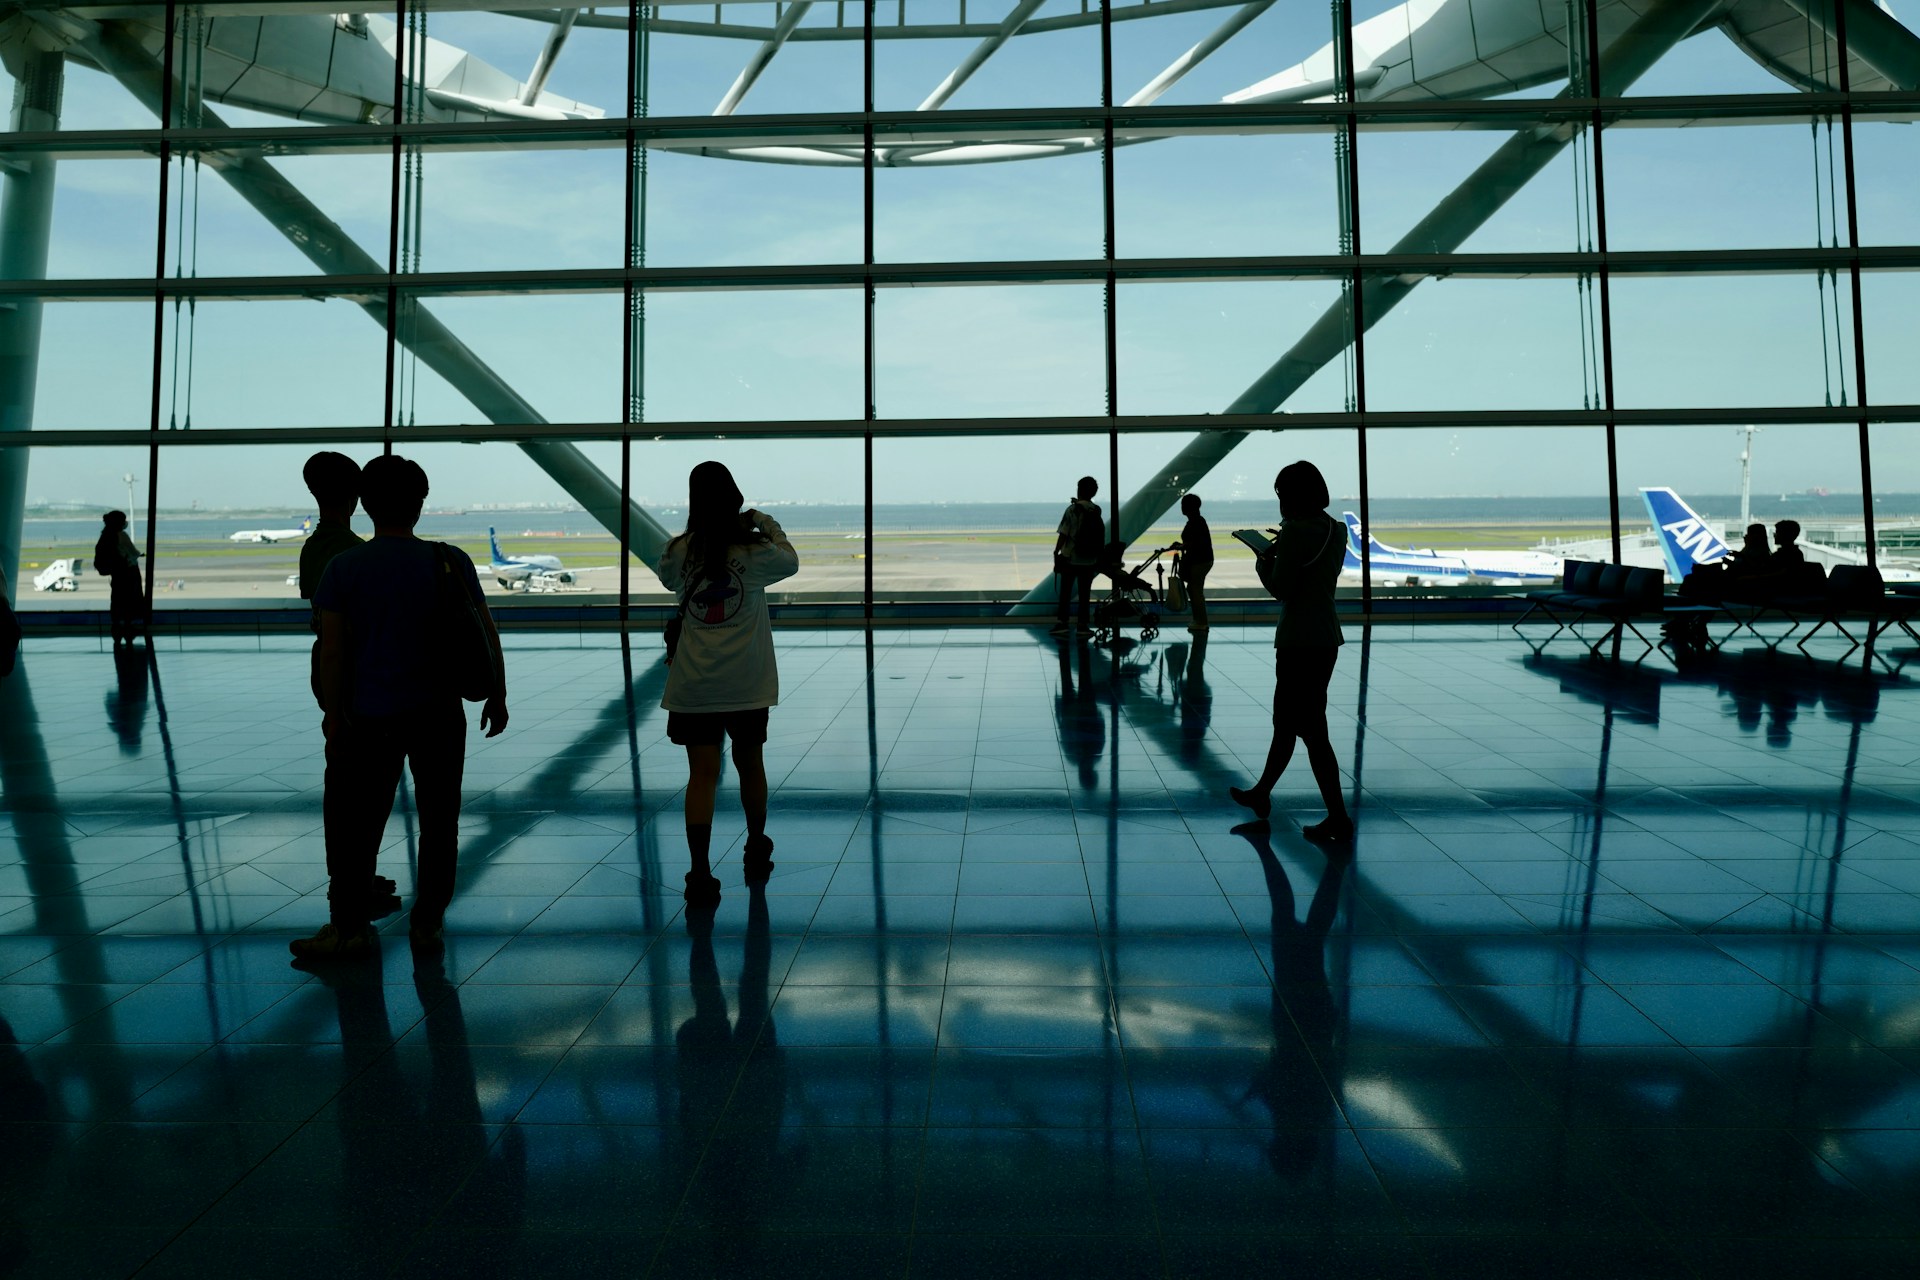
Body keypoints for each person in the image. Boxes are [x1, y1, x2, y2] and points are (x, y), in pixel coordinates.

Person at [293, 455, 509, 961]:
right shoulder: (449, 559)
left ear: (365, 505)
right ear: (420, 503)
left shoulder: (345, 567)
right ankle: (428, 921)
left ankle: (349, 928)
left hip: (369, 716)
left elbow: (333, 649)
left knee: (359, 825)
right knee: (440, 821)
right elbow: (485, 629)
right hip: (438, 714)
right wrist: (497, 692)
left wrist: (331, 713)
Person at [654, 461, 799, 910]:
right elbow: (790, 559)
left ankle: (699, 872)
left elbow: (667, 578)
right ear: (733, 497)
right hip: (746, 684)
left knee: (701, 776)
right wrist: (759, 520)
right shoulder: (755, 554)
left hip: (695, 685)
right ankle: (756, 843)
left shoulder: (679, 551)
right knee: (749, 764)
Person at [1231, 461, 1353, 844]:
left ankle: (1337, 816)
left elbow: (1281, 588)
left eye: (1282, 493)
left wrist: (1262, 559)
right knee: (1290, 722)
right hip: (1326, 635)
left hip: (1299, 638)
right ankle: (1261, 793)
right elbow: (1318, 578)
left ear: (1293, 495)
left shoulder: (1296, 531)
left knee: (1310, 730)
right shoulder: (1337, 529)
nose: (1281, 500)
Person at [298, 452, 398, 908]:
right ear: (357, 495)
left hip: (332, 673)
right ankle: (351, 881)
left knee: (347, 784)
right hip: (359, 677)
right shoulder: (350, 552)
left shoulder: (315, 548)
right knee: (364, 788)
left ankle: (355, 875)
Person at [1050, 476, 1103, 635]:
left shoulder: (1072, 510)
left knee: (1065, 592)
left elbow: (1064, 533)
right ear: (1093, 492)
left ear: (1079, 490)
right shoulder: (1095, 510)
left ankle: (1063, 623)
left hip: (1071, 558)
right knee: (1084, 593)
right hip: (1089, 559)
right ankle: (1083, 625)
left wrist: (1056, 551)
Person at [93, 511, 143, 648]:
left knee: (117, 601)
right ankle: (128, 629)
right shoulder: (121, 535)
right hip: (128, 573)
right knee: (129, 601)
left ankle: (116, 630)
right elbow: (134, 552)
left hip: (117, 575)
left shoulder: (105, 537)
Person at [1170, 492, 1214, 631]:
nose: (1181, 507)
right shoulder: (1196, 520)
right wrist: (1182, 545)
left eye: (1183, 504)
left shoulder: (1196, 521)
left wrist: (1183, 546)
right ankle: (1199, 620)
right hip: (1201, 559)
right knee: (1194, 590)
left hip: (1200, 561)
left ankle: (1201, 622)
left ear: (1189, 507)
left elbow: (1197, 543)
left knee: (1195, 590)